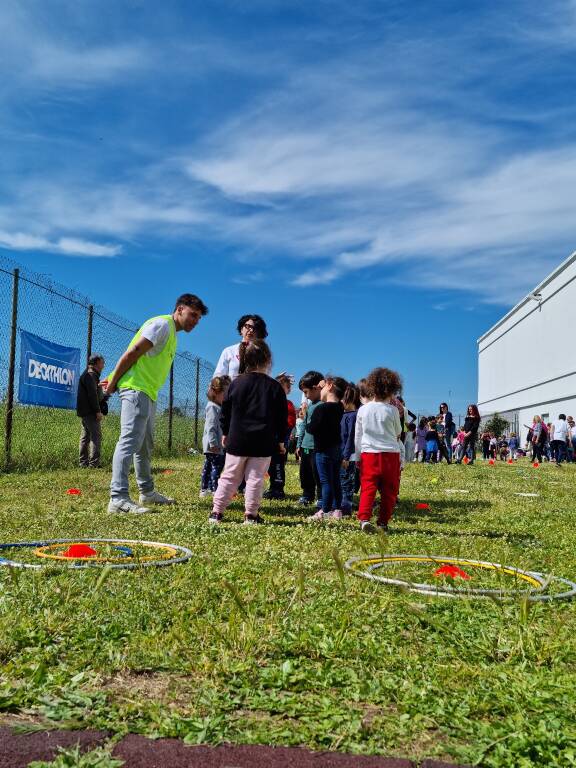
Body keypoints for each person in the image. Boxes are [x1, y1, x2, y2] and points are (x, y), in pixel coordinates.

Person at [105, 293, 208, 514]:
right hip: (136, 389)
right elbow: (132, 352)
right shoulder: (162, 324)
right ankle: (118, 498)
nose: (195, 321)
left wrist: (114, 376)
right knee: (129, 441)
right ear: (180, 309)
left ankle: (147, 493)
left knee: (144, 446)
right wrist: (114, 380)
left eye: (199, 318)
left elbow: (139, 357)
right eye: (193, 315)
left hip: (148, 393)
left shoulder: (172, 333)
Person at [209, 340, 287, 525]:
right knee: (255, 479)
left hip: (237, 439)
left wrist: (226, 432)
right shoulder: (275, 387)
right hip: (263, 442)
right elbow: (281, 419)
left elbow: (225, 411)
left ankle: (216, 512)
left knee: (229, 476)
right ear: (268, 360)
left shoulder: (236, 384)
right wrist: (280, 441)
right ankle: (250, 515)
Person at [355, 367, 402, 533]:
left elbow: (358, 436)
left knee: (368, 488)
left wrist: (357, 456)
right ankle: (383, 522)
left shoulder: (363, 410)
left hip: (369, 454)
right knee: (390, 491)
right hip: (390, 454)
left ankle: (364, 519)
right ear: (392, 390)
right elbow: (398, 432)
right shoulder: (393, 410)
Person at [305, 376, 347, 521]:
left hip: (322, 450)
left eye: (321, 388)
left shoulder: (321, 409)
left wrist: (306, 417)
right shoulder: (340, 408)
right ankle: (337, 510)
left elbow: (311, 429)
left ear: (329, 386)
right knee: (335, 480)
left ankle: (325, 510)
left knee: (325, 481)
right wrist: (326, 385)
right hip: (336, 450)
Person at [264, 374, 297, 500]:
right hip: (271, 438)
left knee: (278, 464)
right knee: (272, 465)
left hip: (280, 440)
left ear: (288, 390)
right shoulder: (271, 402)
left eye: (282, 388)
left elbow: (289, 422)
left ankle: (278, 489)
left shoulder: (287, 404)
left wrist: (282, 438)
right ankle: (273, 487)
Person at [296, 371, 324, 506]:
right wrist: (299, 444)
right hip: (306, 447)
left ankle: (321, 497)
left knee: (318, 474)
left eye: (306, 392)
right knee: (305, 473)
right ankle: (307, 494)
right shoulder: (310, 406)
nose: (305, 396)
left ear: (316, 388)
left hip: (318, 447)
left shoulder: (325, 405)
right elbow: (303, 425)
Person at [200, 375, 231, 498]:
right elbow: (211, 427)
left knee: (208, 467)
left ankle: (205, 489)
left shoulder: (215, 406)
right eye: (225, 393)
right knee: (216, 468)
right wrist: (213, 444)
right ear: (216, 393)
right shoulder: (213, 407)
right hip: (214, 445)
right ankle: (214, 489)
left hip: (211, 445)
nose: (227, 396)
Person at [214, 314, 268, 379]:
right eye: (248, 326)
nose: (251, 330)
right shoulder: (229, 351)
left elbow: (264, 378)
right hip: (232, 388)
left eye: (255, 328)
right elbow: (218, 376)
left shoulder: (262, 353)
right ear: (241, 329)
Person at [76, 354, 107, 468]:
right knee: (96, 436)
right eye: (102, 363)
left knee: (85, 436)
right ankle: (94, 464)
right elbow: (92, 395)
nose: (103, 365)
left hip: (84, 410)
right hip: (90, 411)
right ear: (97, 363)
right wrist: (97, 411)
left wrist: (99, 387)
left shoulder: (90, 375)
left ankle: (83, 463)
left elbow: (93, 391)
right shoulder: (91, 375)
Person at [340, 382, 360, 516]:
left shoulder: (353, 416)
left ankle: (346, 508)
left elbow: (351, 438)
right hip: (341, 454)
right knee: (341, 481)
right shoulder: (343, 415)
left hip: (348, 457)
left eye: (342, 398)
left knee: (347, 483)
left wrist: (346, 457)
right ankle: (341, 505)